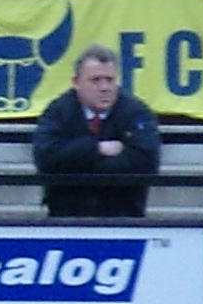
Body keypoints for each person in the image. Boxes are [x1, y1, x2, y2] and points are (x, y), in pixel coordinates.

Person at [31, 44, 161, 218]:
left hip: (123, 216)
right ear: (76, 82)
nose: (105, 87)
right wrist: (96, 149)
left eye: (110, 80)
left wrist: (77, 164)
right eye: (95, 80)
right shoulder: (59, 111)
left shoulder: (136, 112)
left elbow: (146, 163)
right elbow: (46, 158)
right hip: (66, 216)